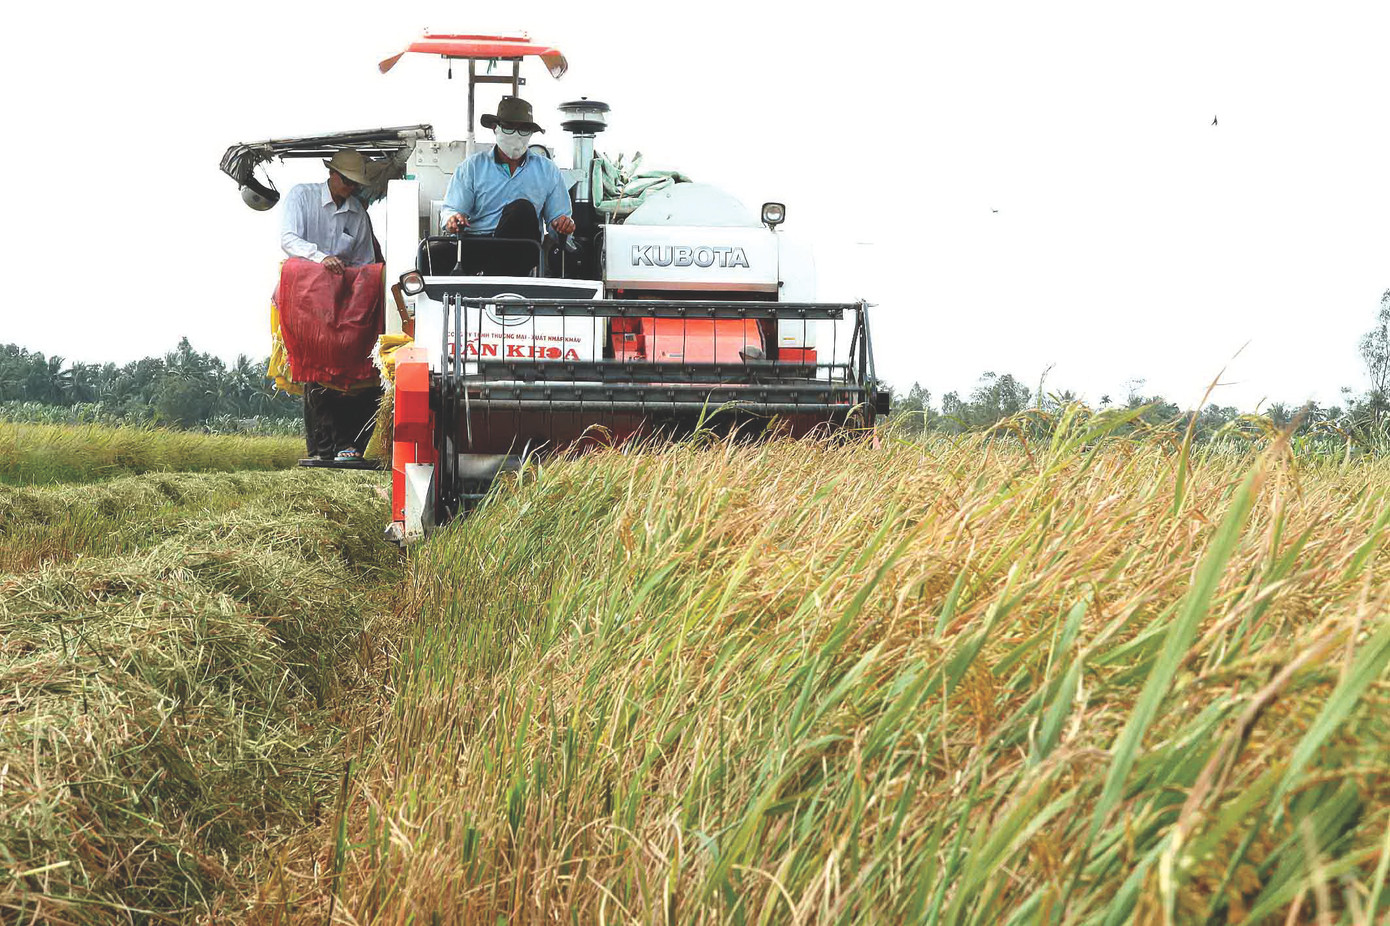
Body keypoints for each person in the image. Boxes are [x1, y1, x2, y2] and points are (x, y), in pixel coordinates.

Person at [280, 149, 383, 463]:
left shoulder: (358, 214)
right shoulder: (302, 196)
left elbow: (366, 262)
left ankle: (345, 446)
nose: (351, 188)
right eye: (347, 181)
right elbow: (288, 239)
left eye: (355, 184)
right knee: (317, 369)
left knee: (363, 371)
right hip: (306, 302)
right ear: (332, 174)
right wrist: (319, 259)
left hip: (345, 304)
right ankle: (329, 447)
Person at [440, 96, 576, 276]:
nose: (516, 135)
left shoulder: (548, 170)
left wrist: (563, 224)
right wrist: (453, 220)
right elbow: (452, 210)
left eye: (524, 129)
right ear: (495, 128)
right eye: (510, 128)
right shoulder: (472, 167)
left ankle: (489, 281)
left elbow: (558, 222)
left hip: (520, 248)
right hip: (478, 245)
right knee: (430, 255)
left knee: (522, 209)